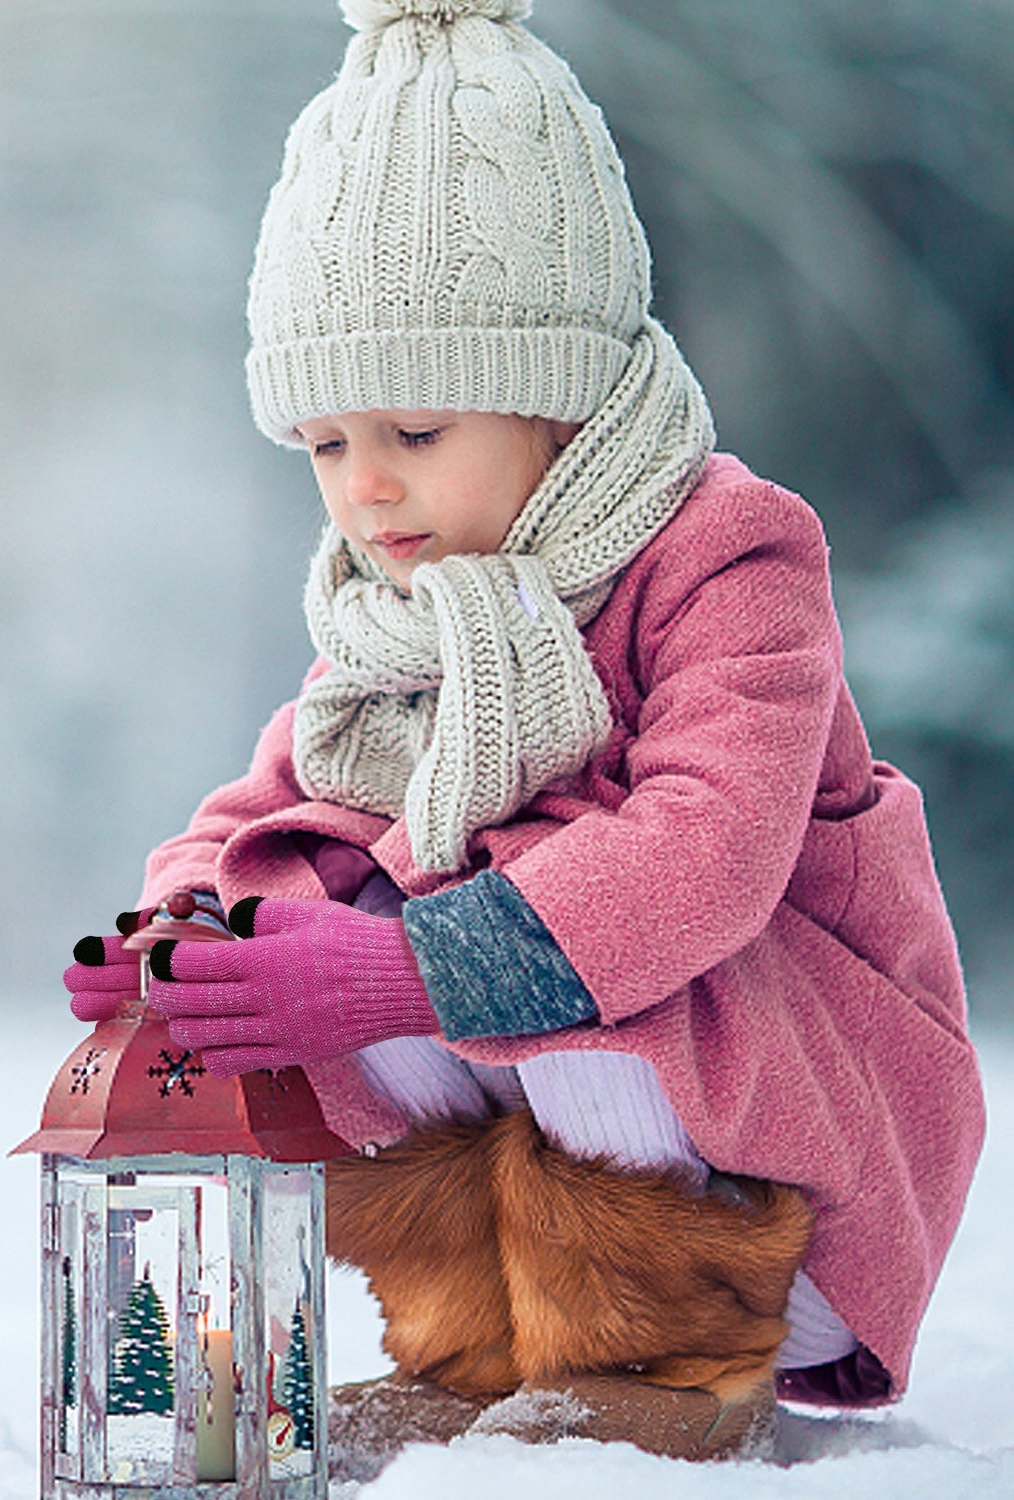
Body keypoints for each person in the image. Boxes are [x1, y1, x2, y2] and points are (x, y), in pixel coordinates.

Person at [64, 0, 984, 1460]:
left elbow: (708, 853)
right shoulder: (397, 610)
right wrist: (184, 935)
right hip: (556, 1145)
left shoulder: (734, 559)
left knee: (550, 940)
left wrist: (402, 970)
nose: (367, 490)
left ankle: (667, 1365)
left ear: (557, 404)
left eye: (415, 431)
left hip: (783, 1155)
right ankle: (477, 1346)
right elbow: (263, 807)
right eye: (326, 445)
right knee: (334, 895)